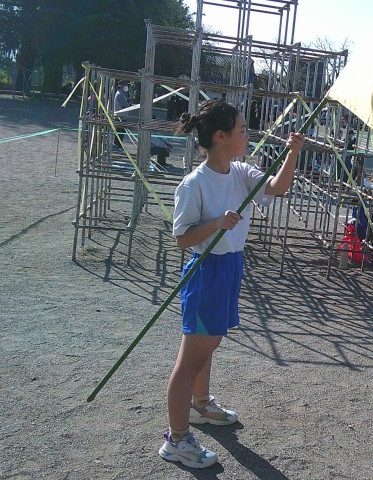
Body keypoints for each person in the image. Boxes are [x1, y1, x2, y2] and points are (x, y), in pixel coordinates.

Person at [159, 100, 305, 469]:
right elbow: (182, 238)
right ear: (220, 137)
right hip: (206, 272)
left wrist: (293, 153)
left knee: (209, 345)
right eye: (242, 130)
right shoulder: (194, 184)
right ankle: (176, 439)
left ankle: (201, 405)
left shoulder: (241, 172)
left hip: (230, 266)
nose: (247, 135)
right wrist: (216, 223)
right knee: (191, 358)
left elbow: (277, 186)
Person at [113, 80, 131, 150]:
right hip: (120, 117)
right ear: (121, 86)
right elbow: (126, 105)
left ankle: (118, 146)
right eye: (126, 85)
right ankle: (117, 146)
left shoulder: (122, 94)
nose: (127, 87)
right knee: (120, 133)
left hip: (122, 117)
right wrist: (129, 104)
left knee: (121, 132)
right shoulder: (120, 94)